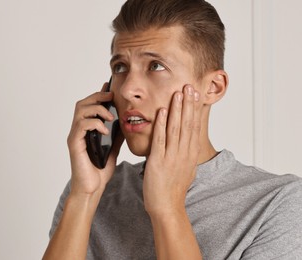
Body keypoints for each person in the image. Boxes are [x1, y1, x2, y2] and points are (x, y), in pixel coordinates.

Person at [43, 0, 302, 259]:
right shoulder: (90, 192)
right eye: (120, 67)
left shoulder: (279, 204)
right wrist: (84, 196)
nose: (127, 89)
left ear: (213, 87)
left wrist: (167, 207)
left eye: (156, 66)